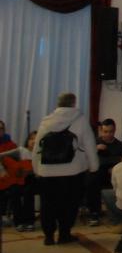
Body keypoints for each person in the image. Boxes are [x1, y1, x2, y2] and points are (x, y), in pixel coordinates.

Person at [32, 92, 99, 244]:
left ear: (58, 103)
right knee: (69, 204)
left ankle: (49, 236)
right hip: (72, 171)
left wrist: (36, 169)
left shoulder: (46, 121)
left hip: (47, 171)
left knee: (48, 205)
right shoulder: (80, 120)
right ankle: (64, 234)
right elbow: (90, 145)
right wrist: (94, 167)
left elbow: (37, 147)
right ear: (74, 103)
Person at [84, 117, 122, 226]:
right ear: (101, 131)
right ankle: (94, 213)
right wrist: (95, 149)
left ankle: (119, 212)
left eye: (111, 131)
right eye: (106, 131)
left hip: (114, 173)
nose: (108, 134)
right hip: (97, 173)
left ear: (114, 131)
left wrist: (115, 167)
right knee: (92, 179)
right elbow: (85, 158)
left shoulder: (120, 145)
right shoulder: (94, 143)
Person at [0, 131, 36, 231]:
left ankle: (29, 222)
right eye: (31, 139)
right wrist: (2, 170)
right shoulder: (21, 150)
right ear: (27, 140)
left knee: (28, 191)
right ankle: (18, 222)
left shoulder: (42, 152)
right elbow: (0, 156)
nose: (33, 141)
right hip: (21, 179)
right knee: (14, 191)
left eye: (36, 139)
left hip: (35, 179)